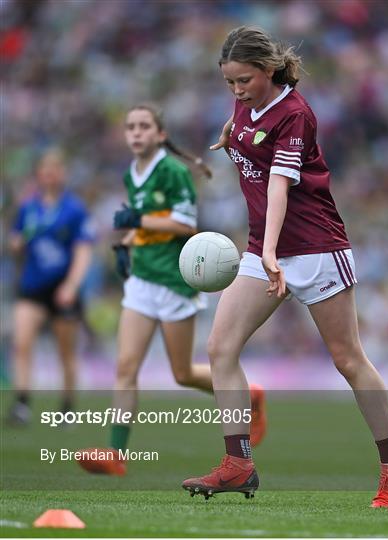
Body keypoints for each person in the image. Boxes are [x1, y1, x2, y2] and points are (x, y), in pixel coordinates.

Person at [182, 26, 388, 508]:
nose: (237, 90)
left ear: (267, 70)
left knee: (347, 359)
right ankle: (238, 463)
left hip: (314, 247)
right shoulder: (246, 102)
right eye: (229, 83)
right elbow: (246, 126)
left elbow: (280, 189)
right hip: (263, 246)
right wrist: (231, 136)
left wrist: (269, 253)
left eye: (244, 80)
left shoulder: (296, 114)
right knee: (221, 346)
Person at [77, 103, 266, 476]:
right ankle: (116, 453)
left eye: (144, 126)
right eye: (130, 126)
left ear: (160, 134)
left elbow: (183, 223)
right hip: (142, 280)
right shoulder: (134, 172)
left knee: (181, 373)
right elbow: (146, 219)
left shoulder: (173, 171)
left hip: (174, 283)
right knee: (126, 366)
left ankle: (251, 396)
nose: (135, 132)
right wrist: (129, 240)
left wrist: (137, 219)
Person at [7, 148, 94, 425]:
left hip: (62, 288)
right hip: (32, 286)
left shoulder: (74, 209)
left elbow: (83, 251)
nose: (49, 175)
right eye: (44, 170)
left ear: (62, 174)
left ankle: (67, 408)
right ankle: (22, 403)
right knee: (21, 343)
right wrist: (15, 244)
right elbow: (16, 241)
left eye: (54, 169)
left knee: (65, 351)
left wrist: (71, 285)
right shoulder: (27, 208)